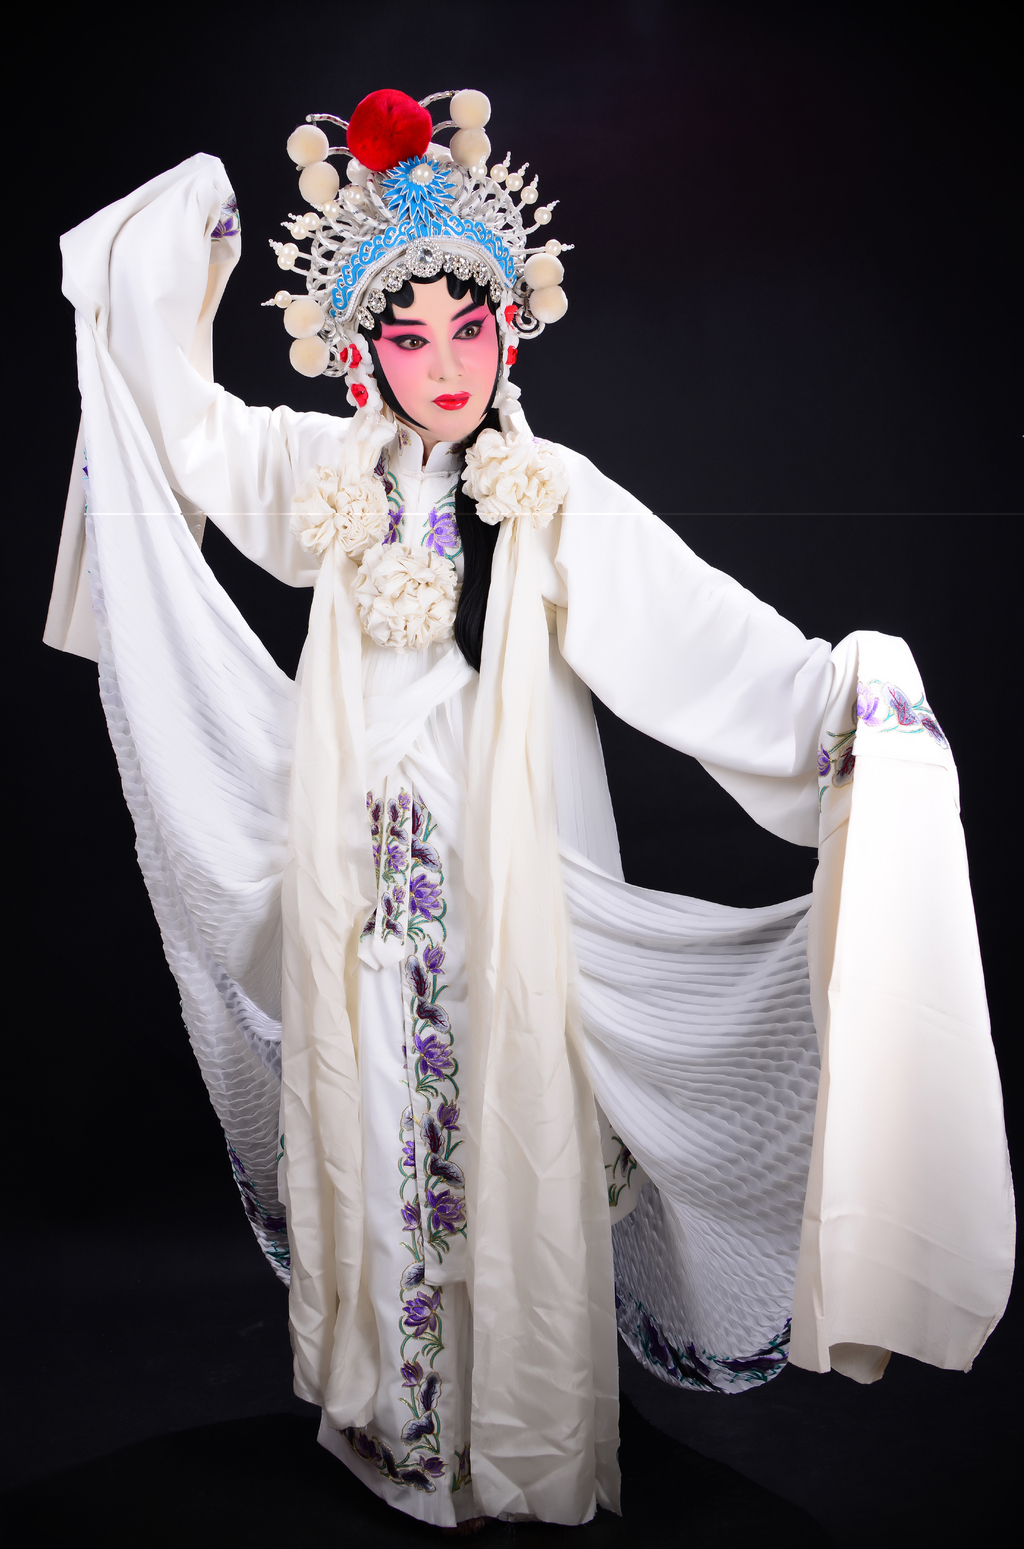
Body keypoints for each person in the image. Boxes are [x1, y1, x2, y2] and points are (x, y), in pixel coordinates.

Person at [45, 87, 1014, 1532]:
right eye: (410, 338)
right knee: (376, 1127)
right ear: (360, 350)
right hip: (359, 894)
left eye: (469, 329)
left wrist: (842, 700)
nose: (445, 365)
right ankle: (395, 1430)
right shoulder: (325, 472)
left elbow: (696, 634)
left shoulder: (545, 495)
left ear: (510, 328)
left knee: (500, 1147)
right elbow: (183, 433)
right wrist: (178, 233)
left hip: (499, 901)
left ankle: (508, 1447)